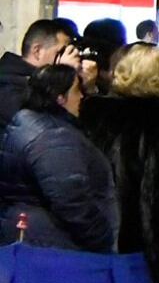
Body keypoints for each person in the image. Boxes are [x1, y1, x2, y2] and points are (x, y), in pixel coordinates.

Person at [78, 45, 159, 283]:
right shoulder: (158, 121)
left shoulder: (90, 109)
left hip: (89, 231)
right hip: (133, 246)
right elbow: (158, 195)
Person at [0, 64, 117, 252]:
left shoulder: (30, 123)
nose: (81, 97)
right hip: (54, 246)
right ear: (60, 98)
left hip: (37, 238)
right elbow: (71, 200)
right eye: (77, 91)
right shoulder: (51, 137)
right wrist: (103, 238)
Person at [0, 19, 82, 127]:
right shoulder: (7, 85)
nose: (67, 57)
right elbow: (41, 129)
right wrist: (60, 77)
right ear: (37, 51)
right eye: (60, 52)